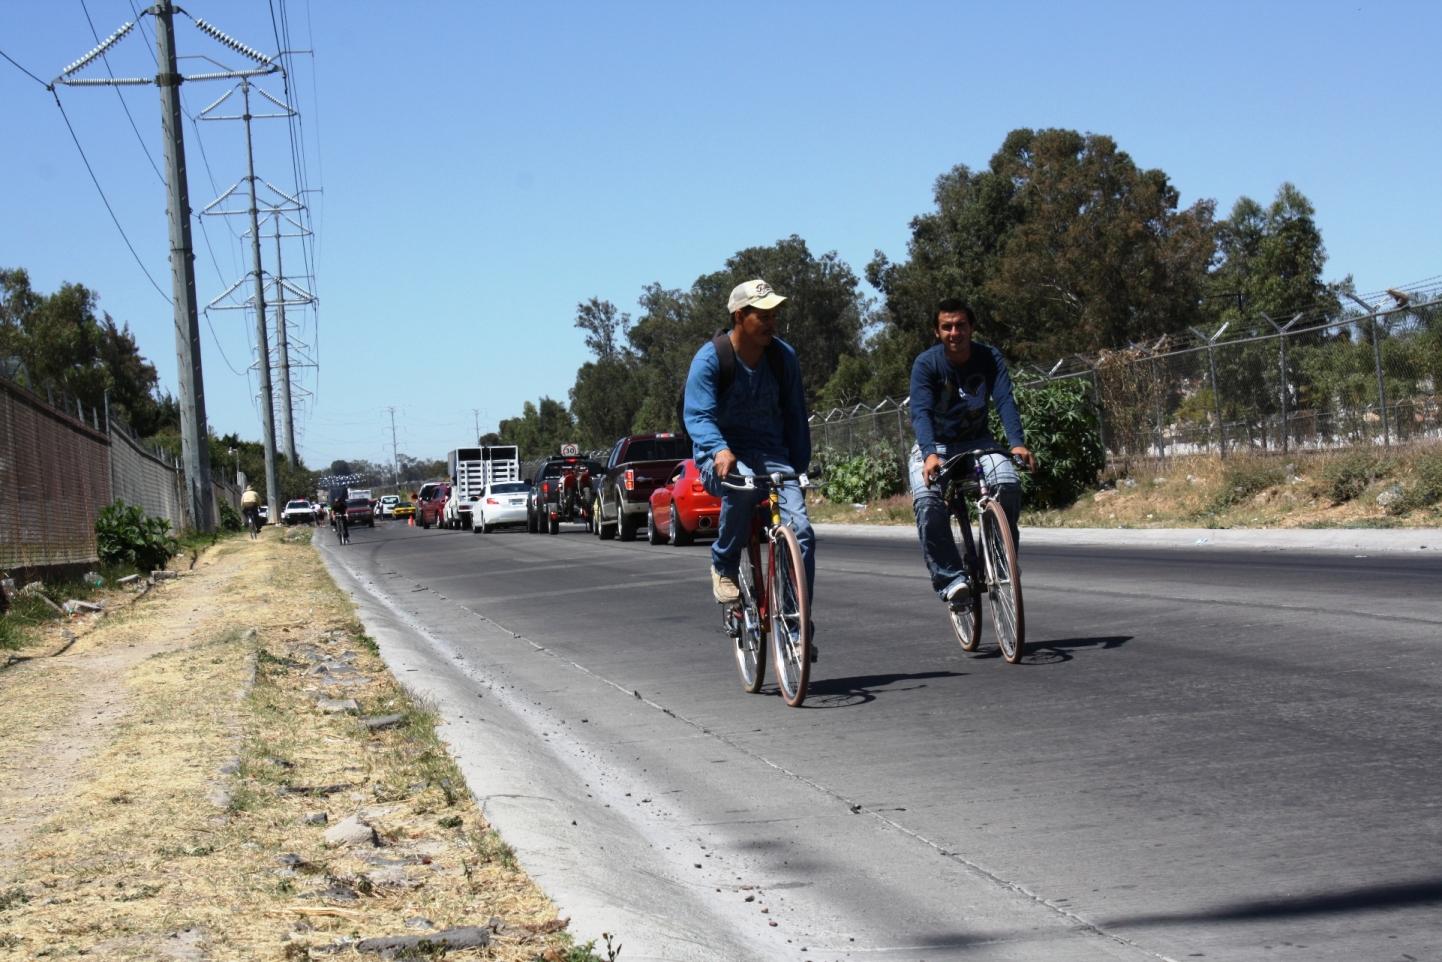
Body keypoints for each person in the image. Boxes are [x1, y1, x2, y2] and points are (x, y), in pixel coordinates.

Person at [683, 279, 815, 625]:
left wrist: (798, 469)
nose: (771, 322)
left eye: (774, 314)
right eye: (763, 314)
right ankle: (724, 565)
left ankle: (795, 615)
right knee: (741, 484)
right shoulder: (711, 358)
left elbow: (795, 414)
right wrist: (718, 448)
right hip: (721, 457)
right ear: (739, 316)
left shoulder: (783, 358)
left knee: (801, 530)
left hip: (772, 454)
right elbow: (698, 414)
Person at [909, 298, 1036, 606]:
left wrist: (1016, 442)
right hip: (935, 447)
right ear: (937, 332)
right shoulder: (926, 364)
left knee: (1007, 482)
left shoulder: (988, 358)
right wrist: (929, 454)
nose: (955, 332)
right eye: (947, 327)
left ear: (971, 328)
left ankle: (999, 557)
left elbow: (1005, 400)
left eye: (961, 325)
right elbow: (921, 412)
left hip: (979, 442)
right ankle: (951, 580)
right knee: (928, 502)